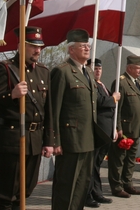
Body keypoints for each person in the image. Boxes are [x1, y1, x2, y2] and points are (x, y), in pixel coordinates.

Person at [0, 26, 54, 210]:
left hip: (35, 141)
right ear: (21, 46)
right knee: (5, 193)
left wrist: (49, 141)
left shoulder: (43, 71)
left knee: (26, 191)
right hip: (12, 140)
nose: (38, 50)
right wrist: (11, 95)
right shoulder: (6, 69)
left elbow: (48, 109)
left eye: (39, 46)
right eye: (33, 46)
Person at [50, 29, 100, 210]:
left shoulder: (88, 72)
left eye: (88, 45)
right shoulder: (62, 71)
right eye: (83, 46)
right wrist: (54, 140)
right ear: (71, 49)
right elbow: (53, 109)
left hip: (88, 139)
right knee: (66, 186)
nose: (87, 48)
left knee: (81, 186)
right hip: (70, 140)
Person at [108, 55, 140, 198]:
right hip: (124, 129)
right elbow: (116, 108)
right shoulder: (121, 83)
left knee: (130, 160)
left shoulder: (137, 83)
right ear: (129, 68)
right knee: (118, 159)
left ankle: (128, 184)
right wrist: (118, 127)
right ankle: (117, 187)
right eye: (138, 68)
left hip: (135, 129)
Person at [86, 58, 120, 208]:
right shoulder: (91, 84)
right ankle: (88, 195)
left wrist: (114, 128)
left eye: (99, 68)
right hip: (97, 130)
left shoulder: (101, 84)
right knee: (91, 165)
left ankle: (96, 192)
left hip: (106, 131)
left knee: (97, 164)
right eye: (95, 68)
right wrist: (113, 98)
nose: (98, 71)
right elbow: (99, 102)